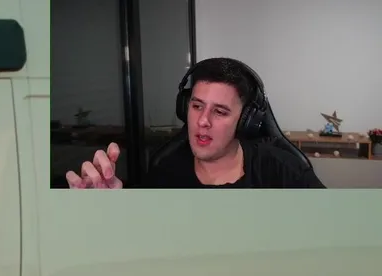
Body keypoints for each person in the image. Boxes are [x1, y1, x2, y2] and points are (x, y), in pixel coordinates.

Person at [65, 57, 326, 189]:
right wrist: (111, 211)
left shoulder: (283, 171)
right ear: (184, 107)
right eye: (197, 106)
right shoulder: (164, 172)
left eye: (220, 112)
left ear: (246, 121)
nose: (202, 121)